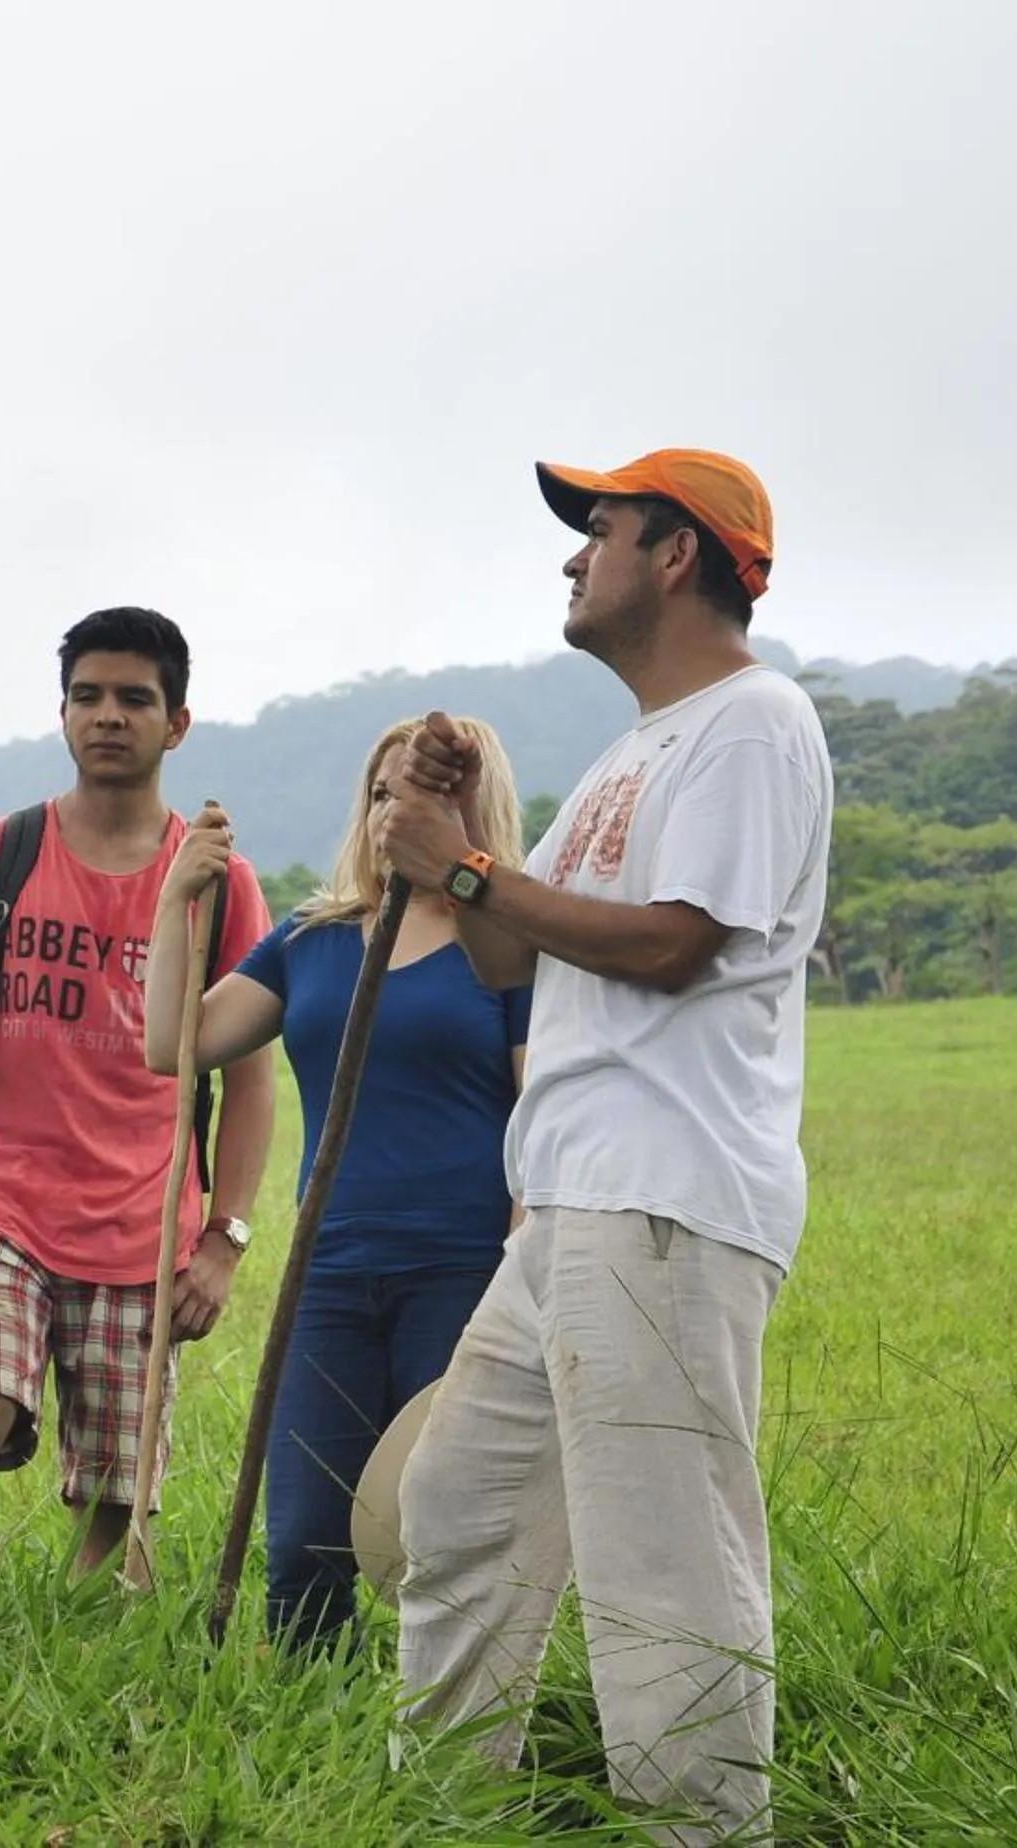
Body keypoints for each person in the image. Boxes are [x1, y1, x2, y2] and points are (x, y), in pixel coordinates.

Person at [372, 449, 831, 1843]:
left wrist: (460, 867)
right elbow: (510, 959)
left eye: (602, 529)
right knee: (459, 1510)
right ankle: (445, 1811)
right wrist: (462, 844)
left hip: (662, 1195)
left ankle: (701, 1830)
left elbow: (674, 945)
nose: (574, 557)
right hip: (569, 1199)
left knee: (659, 1559)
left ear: (676, 555)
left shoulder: (750, 725)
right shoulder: (630, 753)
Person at [0, 607, 276, 1582]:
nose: (107, 716)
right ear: (60, 714)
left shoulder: (217, 883)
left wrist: (222, 1241)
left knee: (112, 1508)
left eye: (133, 699)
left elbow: (250, 1079)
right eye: (86, 696)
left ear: (175, 724)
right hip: (4, 1201)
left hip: (144, 1225)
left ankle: (92, 1654)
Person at [140, 716, 531, 1655]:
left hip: (462, 1267)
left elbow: (539, 1110)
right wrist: (174, 900)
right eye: (382, 795)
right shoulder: (311, 938)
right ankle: (308, 1705)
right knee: (302, 1536)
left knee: (438, 1521)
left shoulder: (507, 944)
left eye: (424, 796)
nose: (396, 815)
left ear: (471, 807)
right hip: (329, 1275)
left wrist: (524, 1263)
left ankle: (443, 1708)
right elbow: (174, 1045)